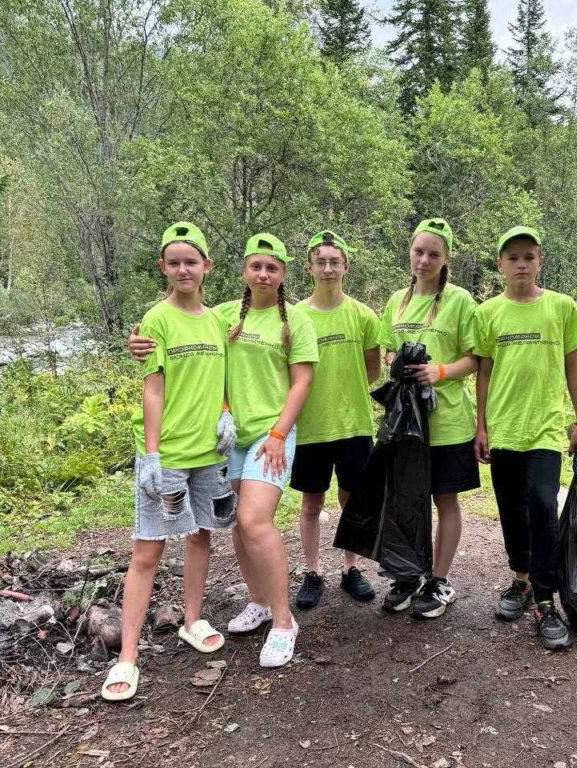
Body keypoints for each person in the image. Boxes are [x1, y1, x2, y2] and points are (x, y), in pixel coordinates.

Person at [129, 233, 318, 668]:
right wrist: (138, 343)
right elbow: (179, 330)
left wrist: (277, 433)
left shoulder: (296, 323)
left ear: (284, 273)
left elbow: (303, 381)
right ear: (243, 270)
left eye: (272, 267)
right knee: (235, 521)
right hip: (228, 435)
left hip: (271, 434)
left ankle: (285, 623)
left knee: (255, 520)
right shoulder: (223, 316)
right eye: (256, 266)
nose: (263, 274)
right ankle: (259, 601)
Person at [102, 222, 231, 702]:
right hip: (169, 454)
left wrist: (225, 413)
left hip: (208, 452)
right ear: (163, 267)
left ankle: (192, 620)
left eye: (191, 261)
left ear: (206, 268)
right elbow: (152, 388)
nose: (183, 269)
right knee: (148, 550)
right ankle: (128, 656)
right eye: (174, 262)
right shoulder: (155, 320)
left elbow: (224, 375)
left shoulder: (217, 321)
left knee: (200, 536)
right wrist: (152, 453)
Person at [474, 226, 577, 650]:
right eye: (513, 258)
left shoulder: (561, 308)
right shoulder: (487, 313)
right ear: (500, 265)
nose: (521, 264)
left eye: (529, 256)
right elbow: (484, 371)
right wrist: (481, 425)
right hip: (503, 429)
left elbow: (574, 367)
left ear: (540, 261)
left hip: (544, 428)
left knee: (543, 504)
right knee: (510, 507)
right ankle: (520, 581)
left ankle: (546, 599)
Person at [378, 218, 479, 619]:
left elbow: (474, 358)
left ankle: (439, 579)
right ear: (410, 252)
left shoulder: (460, 301)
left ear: (445, 258)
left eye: (433, 254)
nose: (424, 260)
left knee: (444, 498)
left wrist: (439, 372)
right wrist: (397, 363)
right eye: (419, 252)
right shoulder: (395, 301)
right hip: (405, 422)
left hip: (448, 420)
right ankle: (409, 574)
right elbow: (386, 350)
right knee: (407, 499)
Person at [290, 230, 381, 609]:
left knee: (352, 500)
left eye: (334, 261)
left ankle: (351, 568)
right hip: (310, 425)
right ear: (309, 268)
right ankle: (312, 572)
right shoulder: (294, 316)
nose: (328, 268)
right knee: (312, 503)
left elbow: (372, 370)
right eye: (320, 262)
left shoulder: (362, 315)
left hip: (354, 424)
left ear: (346, 266)